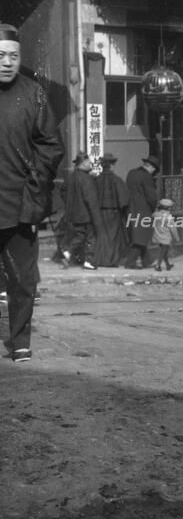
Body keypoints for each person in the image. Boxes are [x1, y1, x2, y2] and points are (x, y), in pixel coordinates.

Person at [0, 23, 64, 362]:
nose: (7, 62)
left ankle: (20, 341)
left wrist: (34, 187)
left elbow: (51, 146)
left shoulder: (33, 93)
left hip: (20, 205)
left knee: (22, 280)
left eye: (13, 56)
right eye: (0, 56)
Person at [60, 151, 102, 270]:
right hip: (86, 213)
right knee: (90, 237)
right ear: (83, 163)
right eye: (88, 162)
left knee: (80, 235)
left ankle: (68, 251)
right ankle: (89, 261)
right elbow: (91, 200)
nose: (90, 164)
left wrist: (70, 204)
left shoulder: (71, 176)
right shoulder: (86, 179)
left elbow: (62, 191)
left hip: (74, 213)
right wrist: (96, 217)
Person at [94, 153, 129, 267]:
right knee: (113, 237)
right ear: (112, 165)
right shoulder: (117, 180)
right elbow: (123, 199)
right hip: (113, 212)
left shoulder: (96, 179)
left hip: (99, 211)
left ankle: (101, 260)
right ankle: (111, 261)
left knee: (101, 236)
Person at [125, 155, 159, 269]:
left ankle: (147, 261)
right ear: (151, 168)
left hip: (131, 208)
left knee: (139, 235)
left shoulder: (131, 173)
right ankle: (130, 262)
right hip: (143, 209)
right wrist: (155, 208)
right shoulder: (147, 177)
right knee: (142, 236)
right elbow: (151, 197)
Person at [152, 198, 180, 271]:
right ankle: (158, 265)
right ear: (168, 208)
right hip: (166, 236)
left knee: (164, 251)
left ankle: (168, 265)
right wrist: (177, 238)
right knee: (163, 251)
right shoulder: (168, 217)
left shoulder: (156, 214)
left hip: (157, 235)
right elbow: (173, 228)